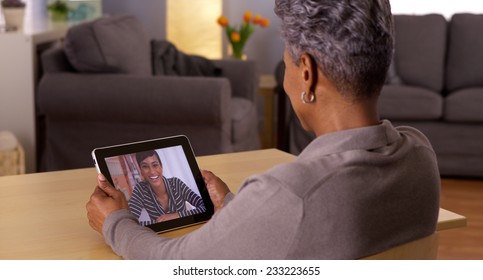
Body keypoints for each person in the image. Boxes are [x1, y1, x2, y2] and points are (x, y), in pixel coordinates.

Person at [86, 0, 440, 259]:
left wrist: (115, 222)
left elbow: (175, 265)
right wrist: (237, 210)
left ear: (307, 74)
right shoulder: (421, 156)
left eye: (286, 61)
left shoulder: (288, 193)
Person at [128, 150, 206, 225]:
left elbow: (204, 206)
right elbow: (128, 222)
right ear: (141, 171)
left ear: (161, 166)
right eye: (145, 166)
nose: (152, 171)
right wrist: (159, 223)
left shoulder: (176, 183)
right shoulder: (140, 189)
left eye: (155, 165)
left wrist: (177, 216)